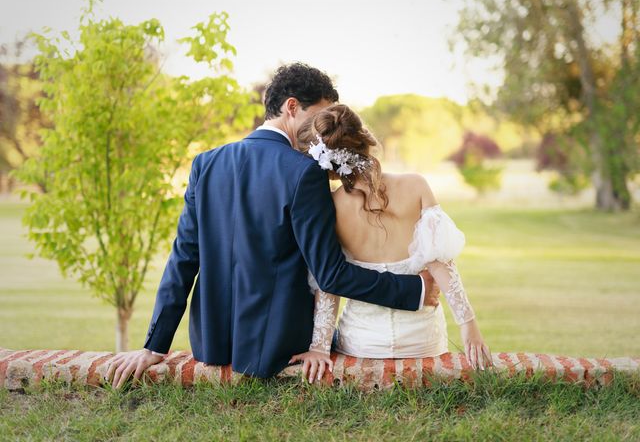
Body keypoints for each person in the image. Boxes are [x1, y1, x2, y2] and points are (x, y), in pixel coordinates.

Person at [105, 63, 440, 389]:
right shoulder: (304, 172)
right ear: (291, 107)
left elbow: (183, 260)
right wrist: (416, 289)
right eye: (318, 117)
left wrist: (154, 347)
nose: (322, 133)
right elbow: (330, 274)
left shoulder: (205, 164)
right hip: (278, 345)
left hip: (211, 343)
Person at [289, 104, 493, 383]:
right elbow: (441, 263)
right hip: (422, 341)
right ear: (366, 139)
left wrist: (319, 347)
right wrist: (468, 325)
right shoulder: (416, 186)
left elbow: (329, 285)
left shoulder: (332, 206)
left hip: (362, 342)